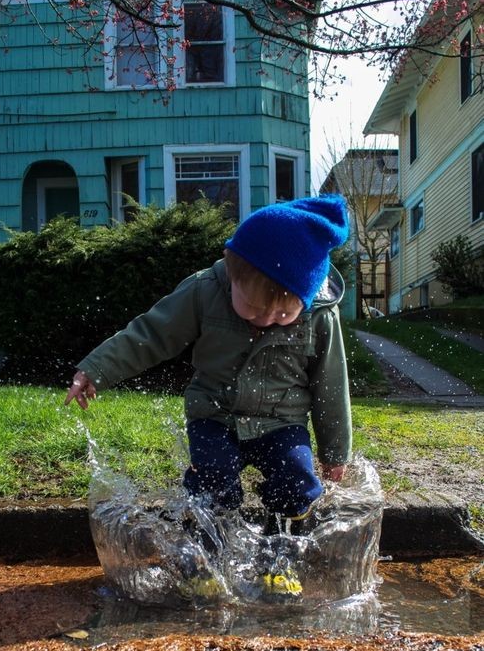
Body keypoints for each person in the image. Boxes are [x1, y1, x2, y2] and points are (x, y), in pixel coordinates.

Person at [66, 194, 352, 556]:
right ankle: (205, 556)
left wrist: (335, 451)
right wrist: (97, 369)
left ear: (306, 300)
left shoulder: (320, 316)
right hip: (215, 415)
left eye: (282, 316)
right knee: (212, 482)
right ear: (232, 272)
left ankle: (281, 556)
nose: (263, 320)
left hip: (282, 421)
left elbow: (330, 384)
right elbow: (151, 334)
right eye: (252, 307)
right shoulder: (205, 290)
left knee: (297, 483)